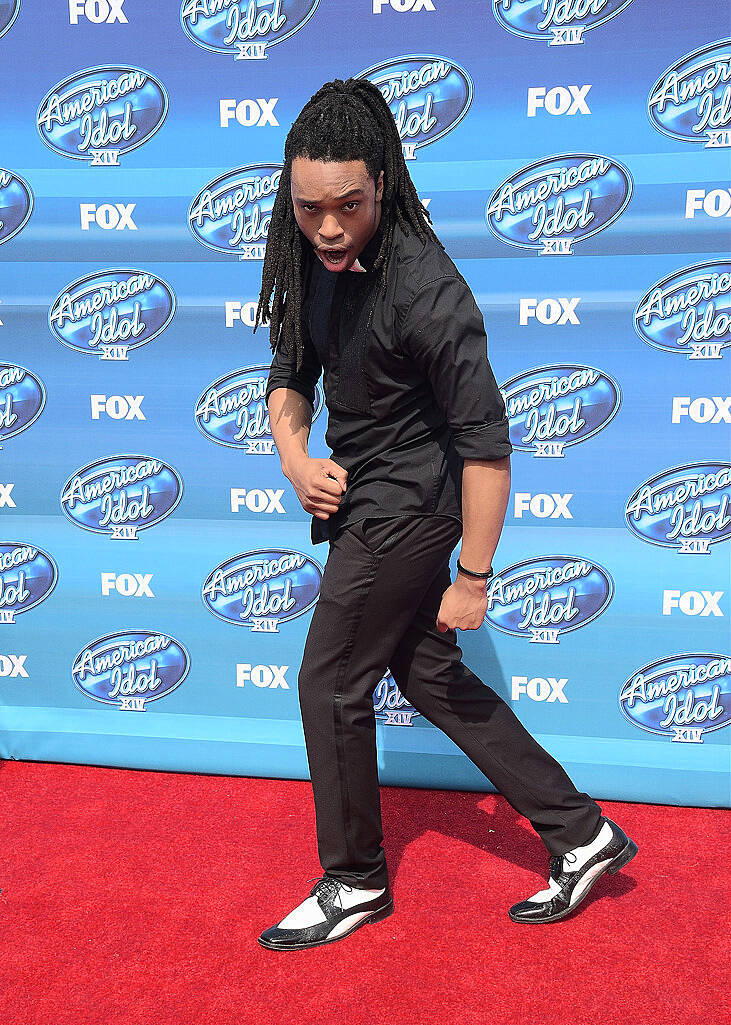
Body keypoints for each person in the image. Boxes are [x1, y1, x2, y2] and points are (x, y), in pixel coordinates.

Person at [255, 77, 638, 951]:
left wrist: (473, 574)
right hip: (359, 495)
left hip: (412, 508)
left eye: (346, 206)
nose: (325, 226)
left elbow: (488, 448)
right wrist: (293, 455)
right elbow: (287, 372)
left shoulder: (430, 291)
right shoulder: (303, 249)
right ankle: (581, 832)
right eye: (308, 205)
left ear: (381, 183)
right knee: (426, 672)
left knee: (330, 680)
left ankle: (353, 879)